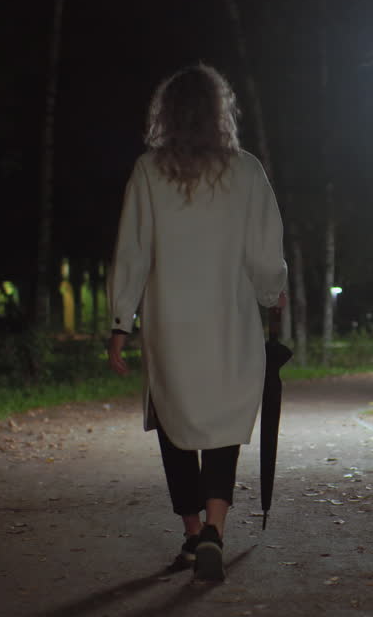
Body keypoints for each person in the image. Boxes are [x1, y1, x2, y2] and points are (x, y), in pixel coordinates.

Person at [107, 64, 287, 583]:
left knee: (175, 423)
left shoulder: (148, 171)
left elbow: (132, 252)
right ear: (219, 112)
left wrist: (121, 322)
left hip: (170, 325)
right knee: (223, 424)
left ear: (166, 114)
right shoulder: (247, 171)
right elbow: (263, 252)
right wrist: (271, 294)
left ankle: (190, 535)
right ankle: (215, 528)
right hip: (230, 323)